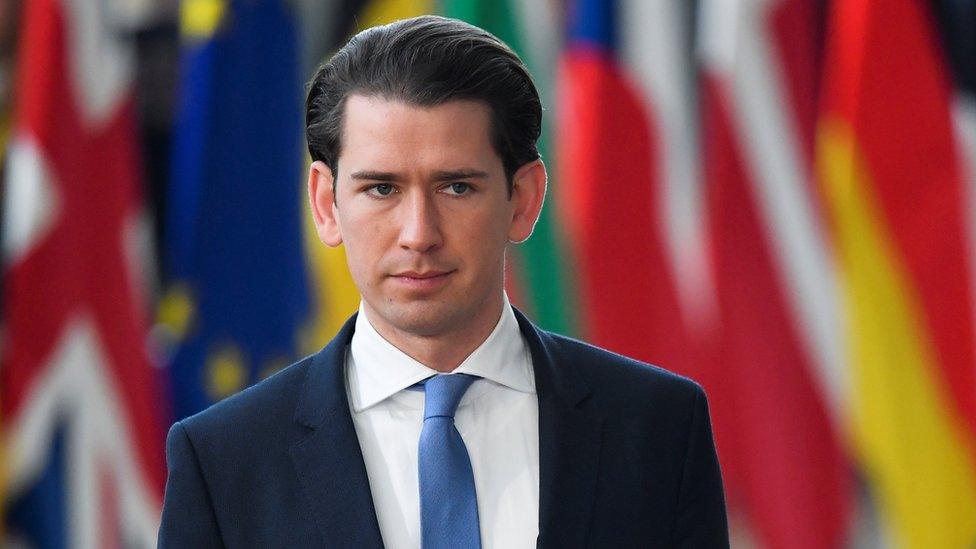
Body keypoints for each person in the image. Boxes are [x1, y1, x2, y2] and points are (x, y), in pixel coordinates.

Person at [157, 15, 728, 549]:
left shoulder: (657, 428)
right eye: (381, 189)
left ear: (523, 200)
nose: (418, 234)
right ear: (326, 204)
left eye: (456, 187)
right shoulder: (222, 461)